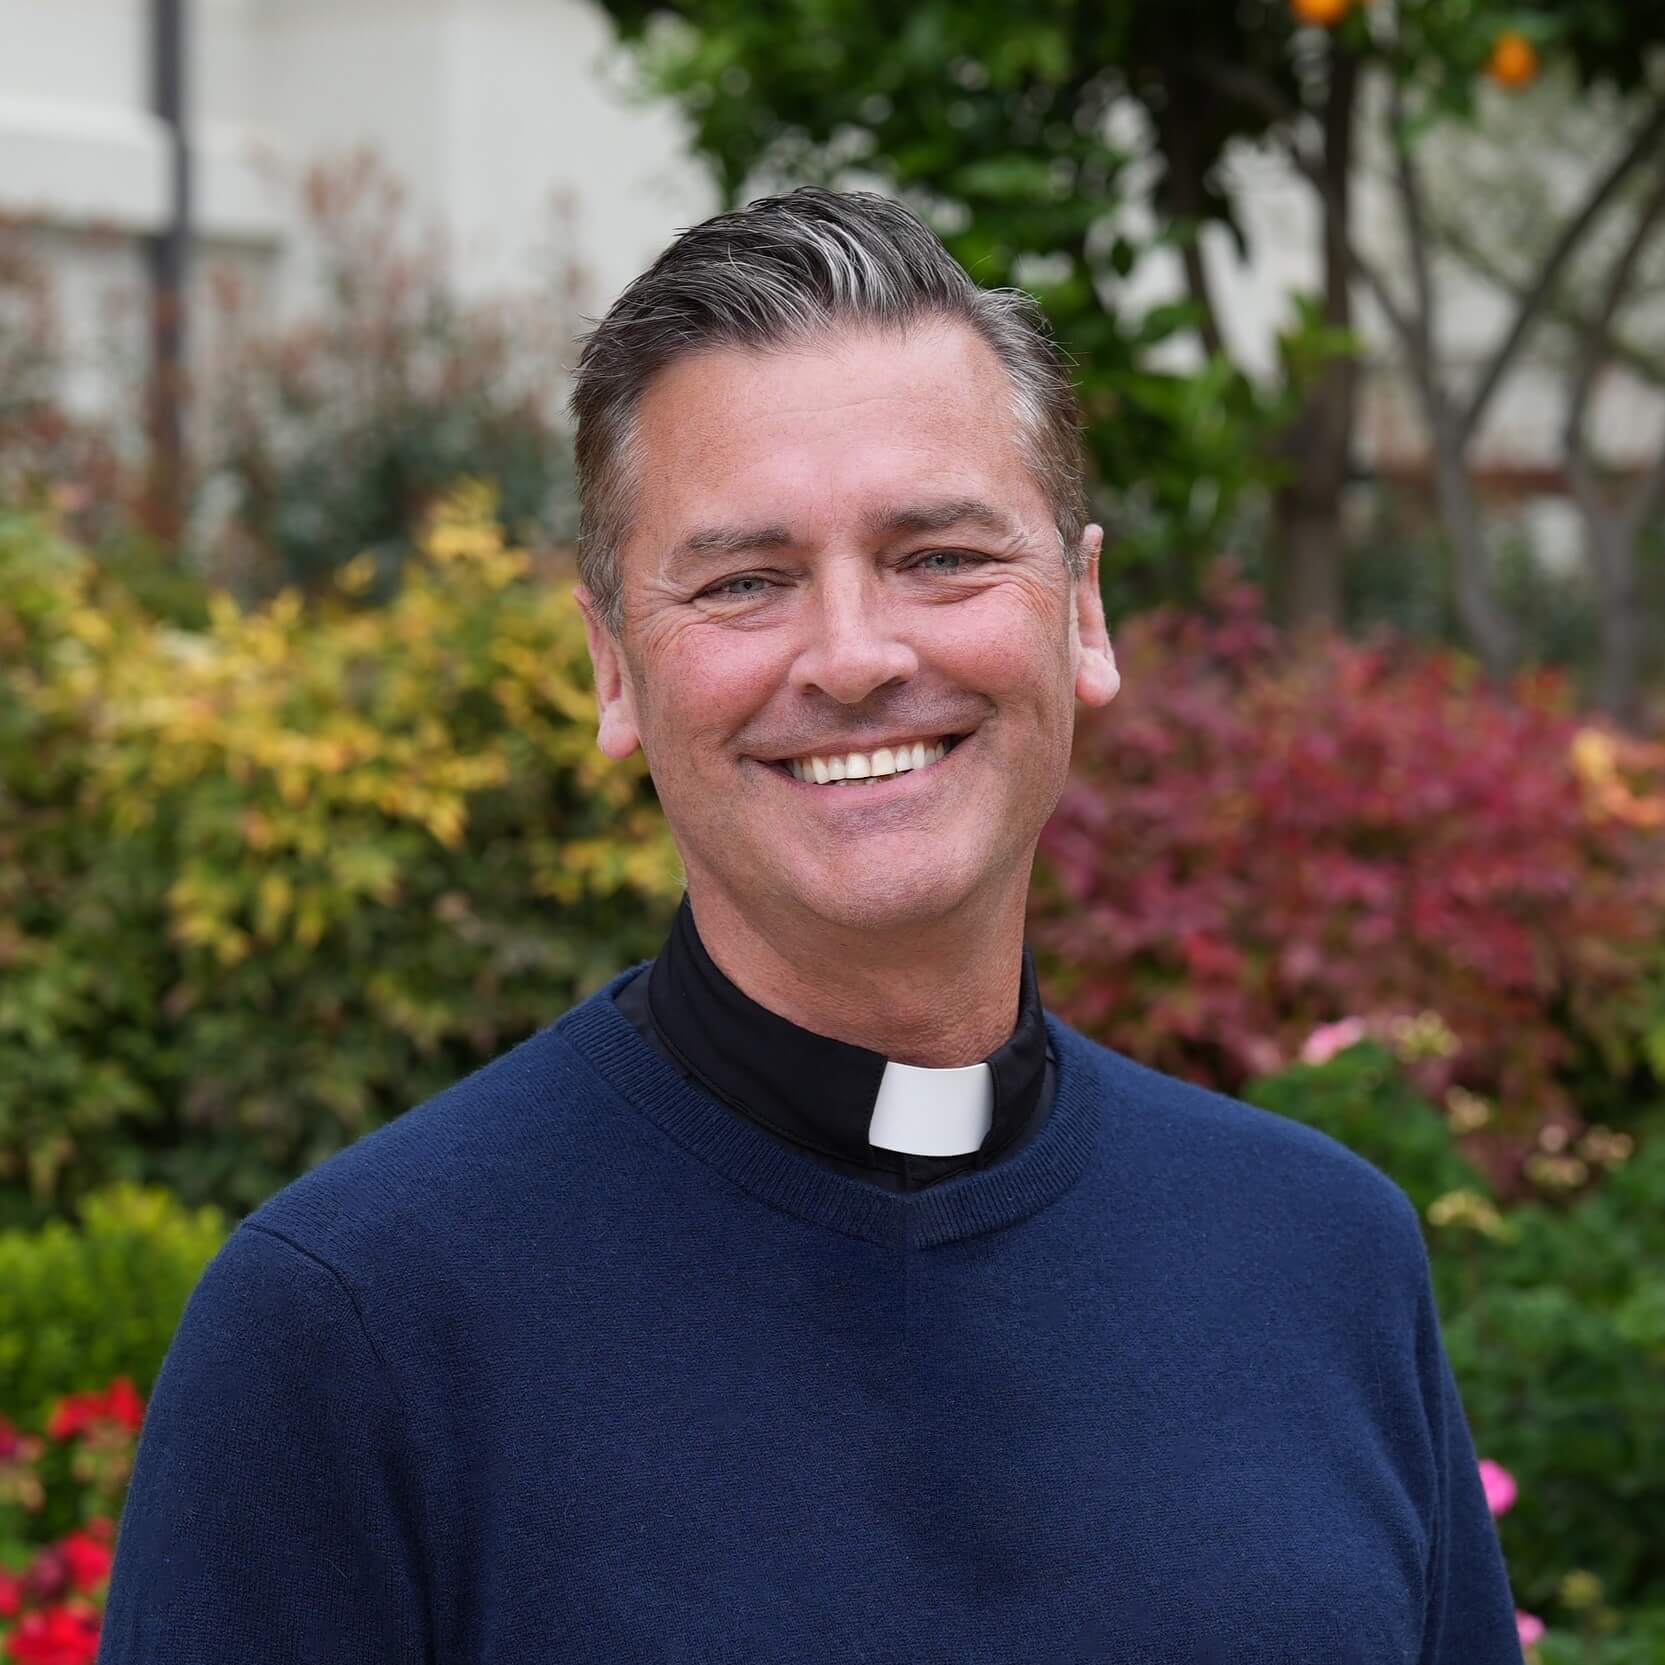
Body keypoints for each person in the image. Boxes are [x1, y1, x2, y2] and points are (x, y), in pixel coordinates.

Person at [95, 187, 1524, 1664]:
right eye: (746, 583)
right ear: (611, 668)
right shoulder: (355, 1327)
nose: (851, 657)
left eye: (939, 556)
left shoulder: (1320, 1258)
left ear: (1081, 613)